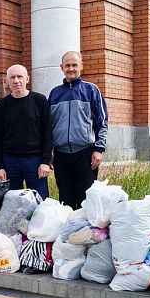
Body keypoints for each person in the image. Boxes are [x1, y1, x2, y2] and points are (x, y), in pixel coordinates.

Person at [48, 51, 108, 209]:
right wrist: (49, 153)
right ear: (62, 68)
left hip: (85, 153)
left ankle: (86, 233)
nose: (71, 68)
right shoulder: (55, 93)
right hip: (61, 155)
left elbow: (102, 122)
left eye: (74, 65)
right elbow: (48, 126)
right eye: (67, 65)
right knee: (65, 200)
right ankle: (69, 233)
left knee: (85, 199)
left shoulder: (91, 90)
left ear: (81, 66)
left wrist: (98, 149)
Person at [0, 64, 52, 200]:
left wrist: (45, 161)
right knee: (12, 204)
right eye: (12, 77)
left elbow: (48, 132)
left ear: (27, 79)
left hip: (35, 161)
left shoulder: (40, 101)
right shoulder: (2, 106)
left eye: (20, 76)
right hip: (10, 162)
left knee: (40, 202)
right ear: (7, 81)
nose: (16, 80)